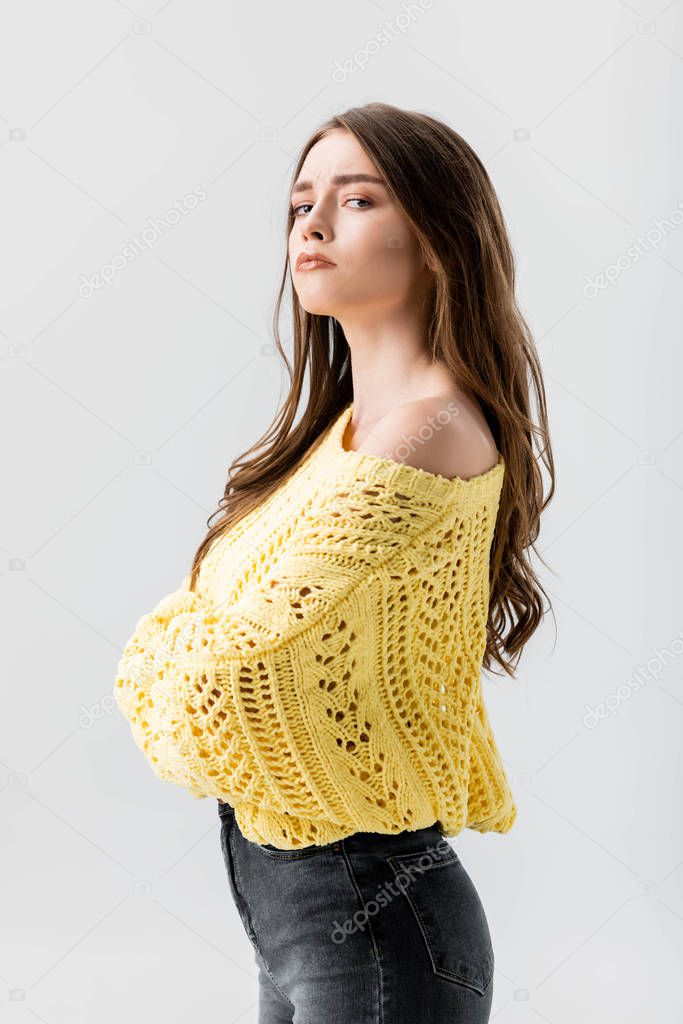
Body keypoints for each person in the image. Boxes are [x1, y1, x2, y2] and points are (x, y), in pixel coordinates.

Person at [114, 101, 555, 1023]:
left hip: (373, 921)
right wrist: (194, 645)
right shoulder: (343, 439)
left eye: (356, 200)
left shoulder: (424, 435)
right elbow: (227, 644)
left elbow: (229, 678)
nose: (310, 225)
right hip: (308, 923)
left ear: (438, 238)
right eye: (298, 205)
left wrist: (166, 650)